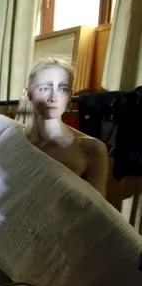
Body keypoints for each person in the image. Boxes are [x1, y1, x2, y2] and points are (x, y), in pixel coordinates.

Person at [16, 57, 108, 196]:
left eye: (63, 89)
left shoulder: (91, 148)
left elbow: (98, 211)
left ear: (70, 95)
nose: (54, 98)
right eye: (45, 88)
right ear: (28, 94)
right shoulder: (14, 142)